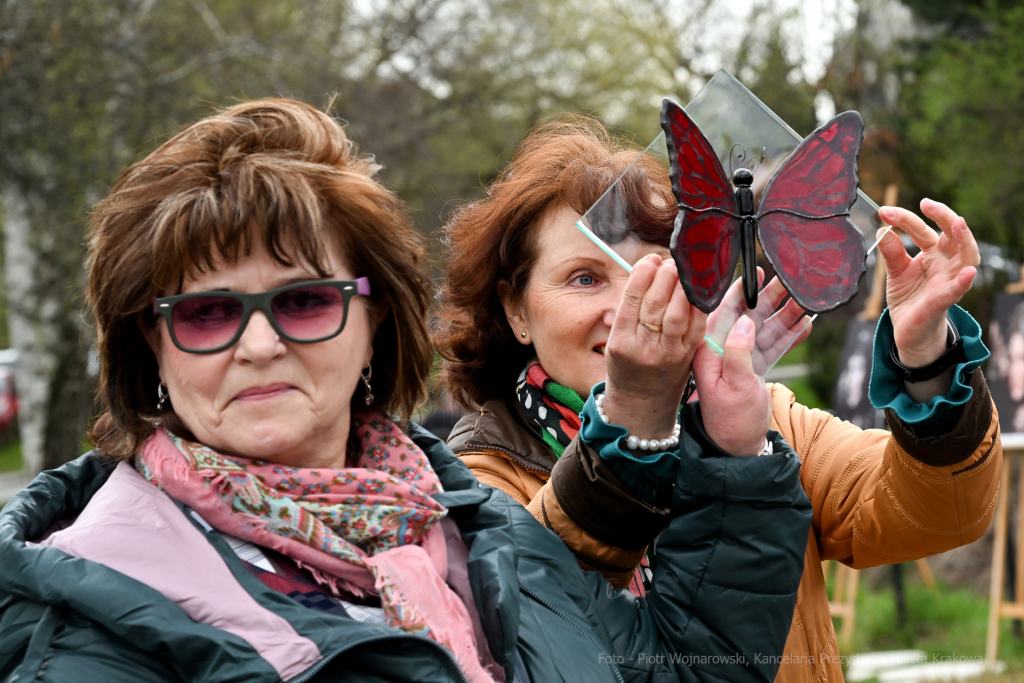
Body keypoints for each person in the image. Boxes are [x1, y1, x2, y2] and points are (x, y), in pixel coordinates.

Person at [0, 99, 813, 683]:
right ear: (152, 345)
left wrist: (737, 442)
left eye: (304, 300)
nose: (258, 345)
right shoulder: (91, 621)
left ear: (373, 321)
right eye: (207, 313)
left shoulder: (476, 532)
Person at [433, 117, 1001, 683]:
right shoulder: (476, 484)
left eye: (658, 269)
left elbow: (937, 515)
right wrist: (637, 419)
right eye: (584, 278)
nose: (632, 303)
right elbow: (537, 621)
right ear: (516, 311)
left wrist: (926, 355)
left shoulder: (764, 425)